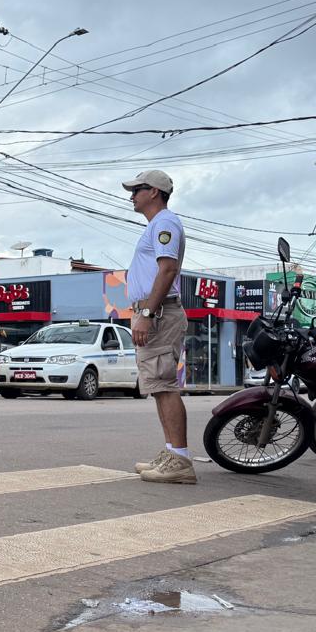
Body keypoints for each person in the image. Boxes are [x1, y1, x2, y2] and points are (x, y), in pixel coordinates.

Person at [123, 170, 192, 484]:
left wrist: (148, 313)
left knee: (164, 386)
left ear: (154, 192)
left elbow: (167, 270)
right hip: (156, 312)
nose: (132, 195)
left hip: (161, 314)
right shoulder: (157, 225)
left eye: (137, 189)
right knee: (158, 387)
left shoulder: (164, 222)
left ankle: (181, 459)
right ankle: (172, 453)